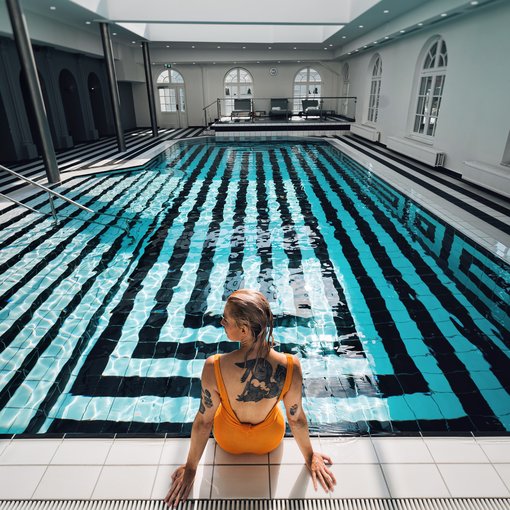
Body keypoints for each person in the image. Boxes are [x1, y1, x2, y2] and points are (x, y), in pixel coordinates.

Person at [164, 289, 336, 507]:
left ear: (243, 329)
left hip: (228, 441)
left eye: (225, 320)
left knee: (215, 408)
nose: (222, 323)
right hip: (269, 440)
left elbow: (204, 421)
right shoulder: (291, 365)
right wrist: (310, 456)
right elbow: (296, 419)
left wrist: (190, 469)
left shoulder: (214, 365)